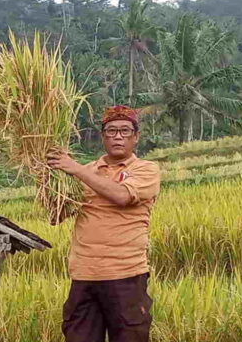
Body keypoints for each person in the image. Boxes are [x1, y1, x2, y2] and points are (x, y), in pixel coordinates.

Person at [47, 105, 161, 342]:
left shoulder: (146, 170)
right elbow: (56, 217)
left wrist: (75, 169)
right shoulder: (86, 171)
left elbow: (121, 196)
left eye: (124, 131)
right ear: (102, 137)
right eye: (111, 131)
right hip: (84, 276)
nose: (118, 136)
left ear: (136, 137)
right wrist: (47, 180)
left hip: (126, 275)